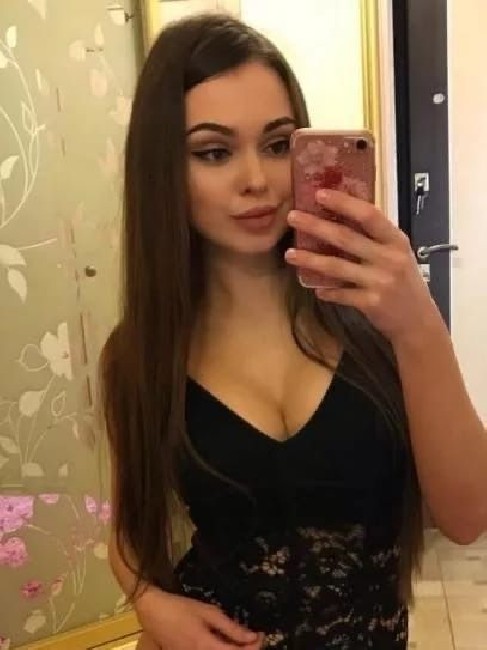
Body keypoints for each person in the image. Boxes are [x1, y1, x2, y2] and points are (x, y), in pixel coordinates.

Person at [100, 13, 487, 650]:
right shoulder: (142, 353)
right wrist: (150, 603)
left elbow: (468, 517)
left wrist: (420, 325)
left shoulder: (378, 320)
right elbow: (126, 524)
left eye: (279, 145)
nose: (257, 180)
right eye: (214, 152)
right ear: (163, 170)